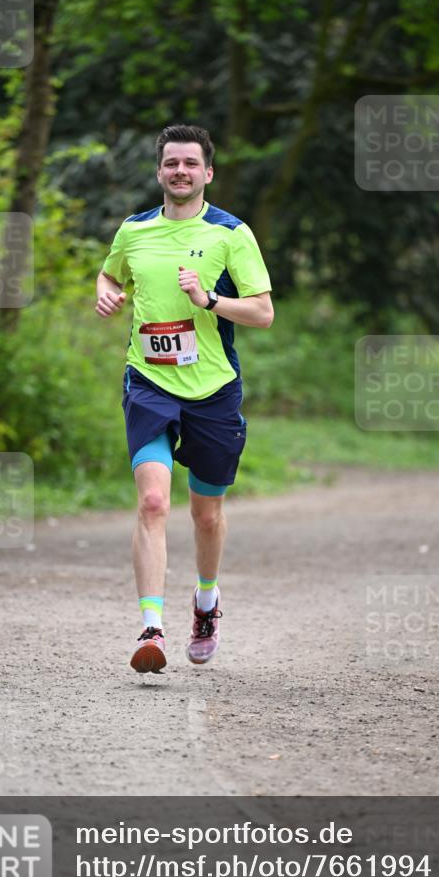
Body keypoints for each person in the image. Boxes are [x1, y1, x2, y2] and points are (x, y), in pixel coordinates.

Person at [95, 124, 273, 673]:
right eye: (171, 163)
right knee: (153, 502)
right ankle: (151, 628)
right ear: (159, 172)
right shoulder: (134, 230)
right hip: (149, 382)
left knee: (206, 514)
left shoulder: (231, 234)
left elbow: (263, 312)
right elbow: (108, 275)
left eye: (190, 163)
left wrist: (209, 299)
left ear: (207, 173)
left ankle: (206, 600)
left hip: (212, 390)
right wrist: (107, 293)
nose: (180, 171)